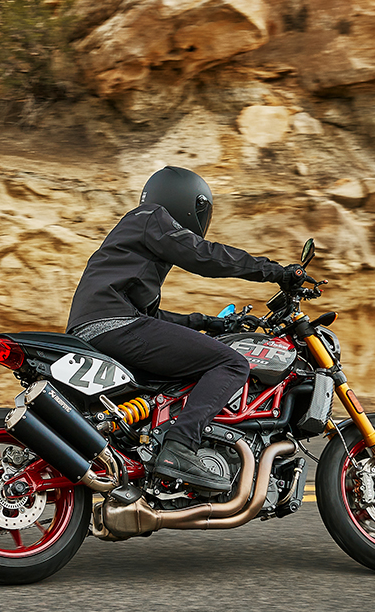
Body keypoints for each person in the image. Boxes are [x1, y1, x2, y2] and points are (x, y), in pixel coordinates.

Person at [65, 166, 307, 491]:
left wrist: (210, 323)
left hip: (100, 329)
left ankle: (150, 451)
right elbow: (204, 257)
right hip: (115, 326)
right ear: (188, 203)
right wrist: (276, 272)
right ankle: (180, 447)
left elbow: (151, 317)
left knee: (173, 382)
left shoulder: (132, 243)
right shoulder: (152, 218)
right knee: (232, 364)